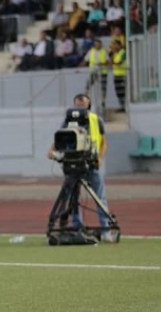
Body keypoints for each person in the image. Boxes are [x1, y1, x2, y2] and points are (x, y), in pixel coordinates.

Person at [47, 93, 114, 241]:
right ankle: (77, 226)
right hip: (73, 162)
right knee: (73, 198)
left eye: (82, 104)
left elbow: (103, 142)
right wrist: (52, 150)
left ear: (88, 105)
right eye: (77, 104)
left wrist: (100, 157)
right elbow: (61, 137)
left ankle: (105, 229)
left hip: (91, 163)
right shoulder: (68, 120)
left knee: (99, 197)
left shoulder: (95, 120)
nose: (80, 107)